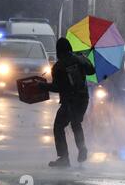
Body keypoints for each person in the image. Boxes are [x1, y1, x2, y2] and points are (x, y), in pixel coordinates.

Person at [39, 38, 95, 167]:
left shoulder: (58, 67)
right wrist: (84, 59)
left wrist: (43, 86)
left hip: (70, 101)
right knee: (76, 123)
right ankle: (82, 148)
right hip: (83, 99)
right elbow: (91, 71)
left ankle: (64, 158)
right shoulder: (80, 59)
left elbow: (58, 87)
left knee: (58, 127)